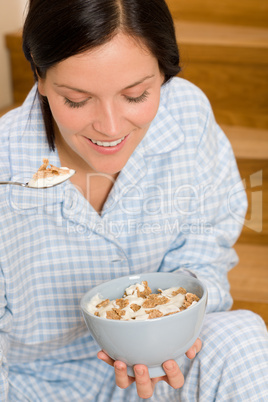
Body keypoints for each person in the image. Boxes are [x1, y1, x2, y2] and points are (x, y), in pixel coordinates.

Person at [0, 0, 267, 400]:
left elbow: (206, 245)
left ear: (163, 73)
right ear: (39, 76)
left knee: (243, 337)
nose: (110, 128)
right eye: (76, 99)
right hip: (33, 386)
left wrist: (173, 330)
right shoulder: (8, 171)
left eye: (137, 95)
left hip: (168, 364)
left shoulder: (186, 114)